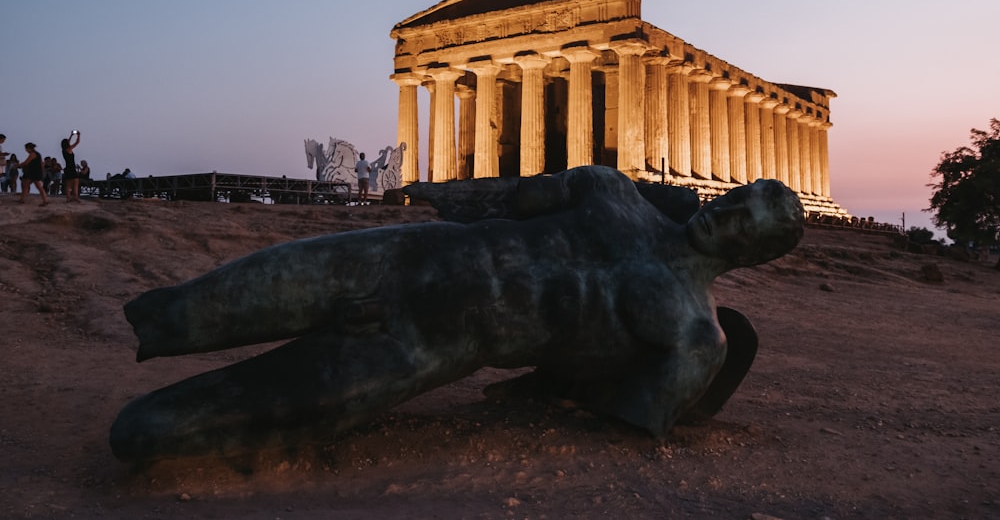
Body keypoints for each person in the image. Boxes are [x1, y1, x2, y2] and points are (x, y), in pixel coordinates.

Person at [110, 165, 804, 461]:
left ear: (758, 254)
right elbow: (510, 195)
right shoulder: (611, 190)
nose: (728, 216)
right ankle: (162, 324)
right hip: (414, 252)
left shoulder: (693, 333)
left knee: (144, 432)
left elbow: (628, 410)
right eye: (735, 199)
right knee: (187, 308)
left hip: (431, 343)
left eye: (747, 225)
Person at [61, 131, 82, 202]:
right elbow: (77, 142)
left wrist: (71, 135)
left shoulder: (63, 150)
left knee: (68, 184)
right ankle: (75, 196)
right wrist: (78, 135)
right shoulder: (69, 149)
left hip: (67, 168)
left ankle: (68, 197)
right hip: (72, 167)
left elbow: (68, 143)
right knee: (76, 182)